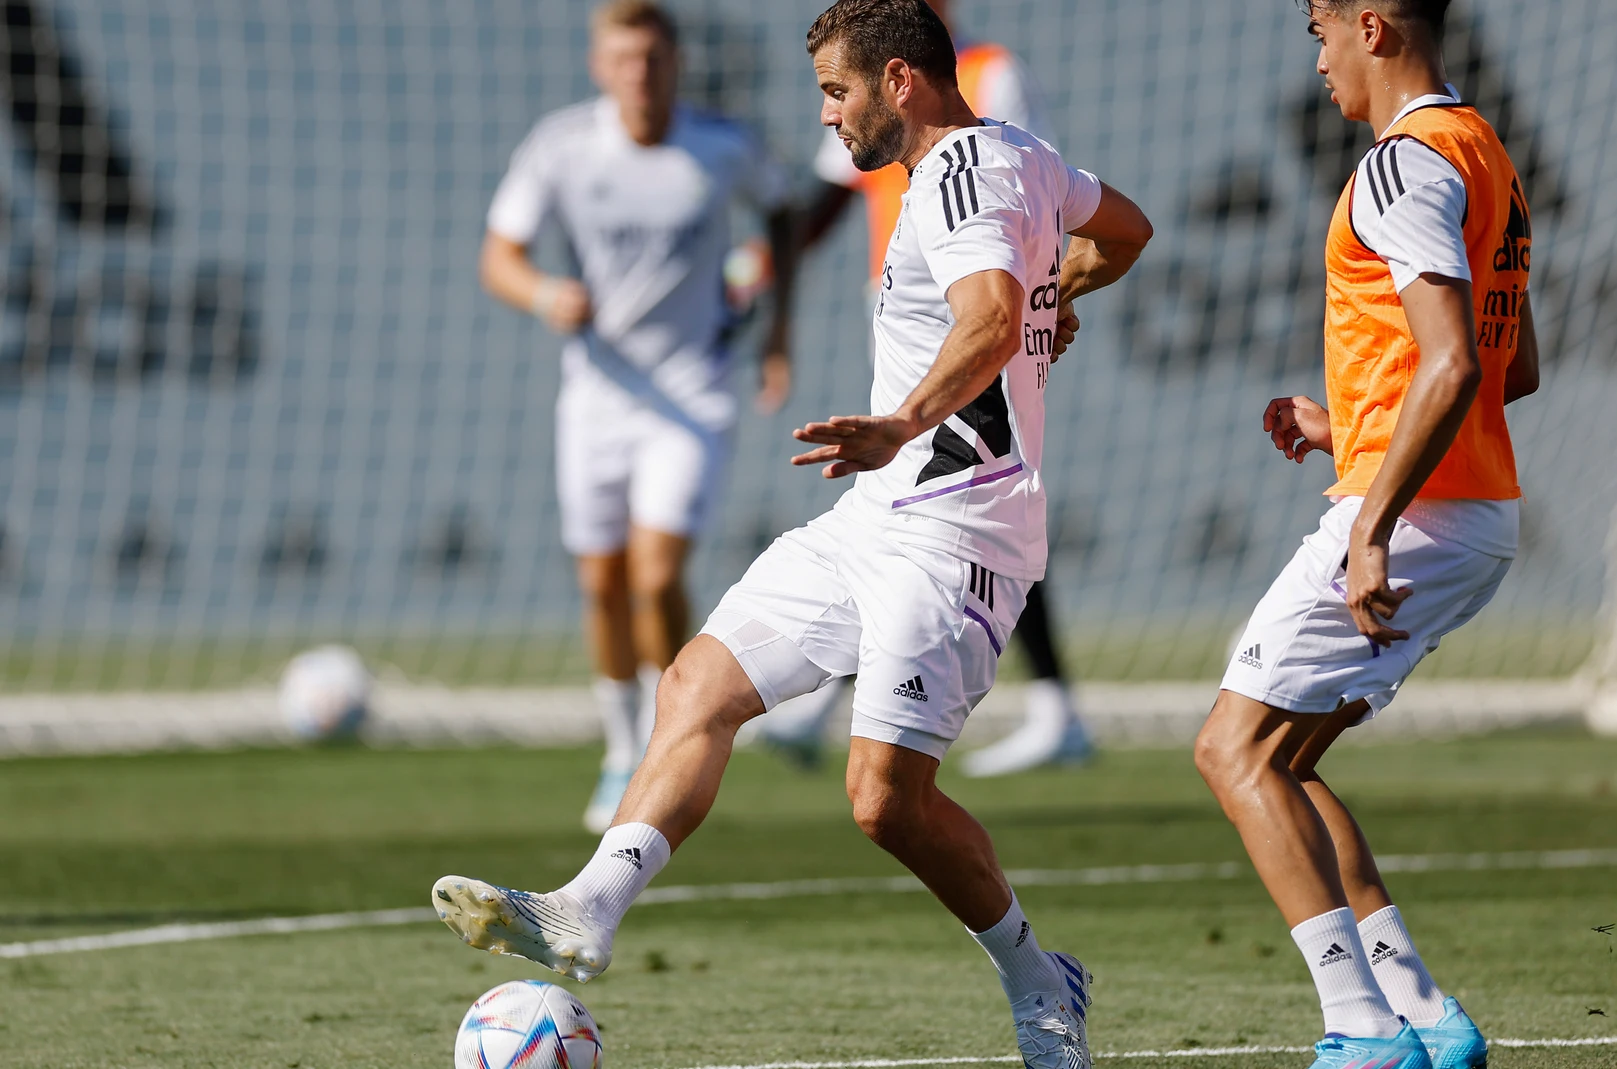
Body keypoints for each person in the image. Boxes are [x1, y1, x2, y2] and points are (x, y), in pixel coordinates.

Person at [430, 4, 1151, 1066]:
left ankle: (1045, 985)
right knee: (697, 684)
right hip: (876, 516)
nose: (826, 116)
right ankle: (588, 906)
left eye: (835, 92)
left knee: (884, 802)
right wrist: (1064, 283)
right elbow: (1125, 229)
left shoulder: (955, 176)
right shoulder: (1022, 156)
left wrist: (912, 411)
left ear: (899, 81)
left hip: (959, 536)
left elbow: (994, 318)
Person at [1192, 2, 1538, 1068]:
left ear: (1374, 27)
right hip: (1469, 511)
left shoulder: (1397, 167)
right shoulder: (1484, 154)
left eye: (1318, 29)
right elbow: (1511, 370)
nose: (1319, 55)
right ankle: (1426, 1014)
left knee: (1230, 749)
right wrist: (1345, 428)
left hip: (1414, 518)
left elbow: (1457, 367)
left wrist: (1372, 523)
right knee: (1284, 760)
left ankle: (1361, 1032)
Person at [479, 0, 800, 833]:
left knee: (656, 574)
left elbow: (787, 213)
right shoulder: (561, 147)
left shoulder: (720, 147)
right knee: (601, 580)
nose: (640, 74)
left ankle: (673, 733)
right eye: (625, 60)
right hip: (597, 395)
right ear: (600, 66)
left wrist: (778, 330)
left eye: (654, 59)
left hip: (692, 393)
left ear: (676, 63)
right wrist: (546, 292)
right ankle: (623, 746)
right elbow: (500, 256)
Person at [760, 0, 1092, 779]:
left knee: (964, 495)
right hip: (905, 307)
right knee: (916, 502)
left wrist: (1051, 289)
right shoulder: (866, 85)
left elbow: (1024, 189)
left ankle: (1051, 704)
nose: (828, 111)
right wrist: (754, 272)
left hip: (969, 304)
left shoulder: (983, 76)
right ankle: (839, 694)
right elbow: (826, 204)